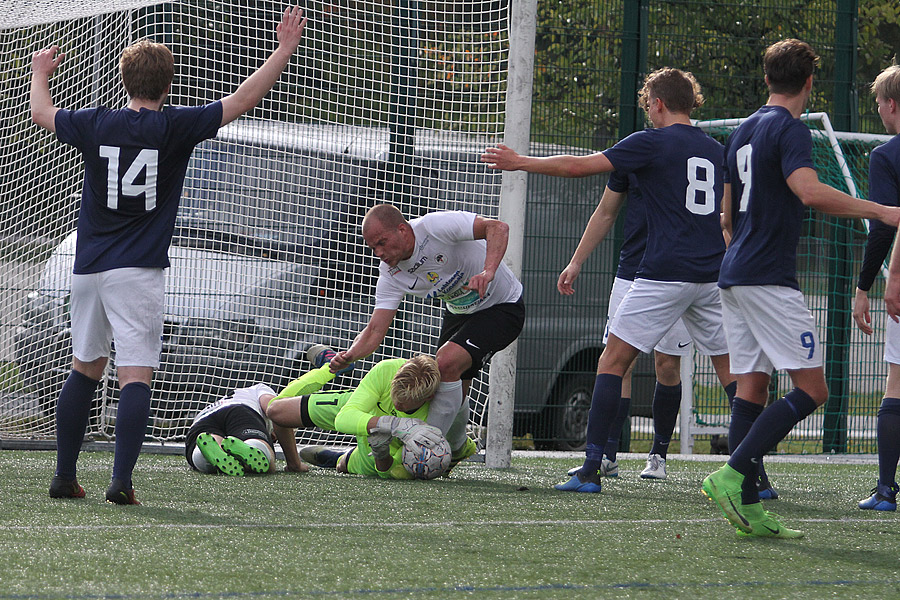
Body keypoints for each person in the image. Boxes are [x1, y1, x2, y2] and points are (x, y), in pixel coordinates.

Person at [32, 7, 308, 504]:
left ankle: (64, 476)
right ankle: (121, 482)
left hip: (88, 267)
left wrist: (39, 73)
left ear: (123, 78)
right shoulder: (174, 126)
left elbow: (42, 115)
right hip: (136, 271)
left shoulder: (95, 122)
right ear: (169, 85)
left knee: (84, 367)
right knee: (134, 375)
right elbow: (245, 98)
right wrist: (284, 47)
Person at [483, 67, 736, 494]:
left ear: (656, 103)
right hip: (711, 275)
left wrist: (520, 161)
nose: (649, 113)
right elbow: (726, 216)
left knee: (612, 362)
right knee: (732, 374)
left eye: (648, 105)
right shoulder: (715, 149)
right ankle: (754, 472)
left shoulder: (649, 142)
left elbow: (578, 167)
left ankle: (592, 467)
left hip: (663, 273)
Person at [702, 40, 900, 538]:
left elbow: (725, 216)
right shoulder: (791, 130)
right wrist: (880, 210)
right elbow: (809, 191)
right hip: (768, 277)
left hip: (734, 274)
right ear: (810, 84)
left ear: (767, 79)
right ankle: (731, 474)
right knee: (813, 390)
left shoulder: (742, 130)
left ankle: (748, 506)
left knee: (752, 386)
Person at [326, 205, 525, 464]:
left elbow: (498, 227)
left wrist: (488, 271)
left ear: (402, 229)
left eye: (382, 243)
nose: (379, 253)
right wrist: (350, 355)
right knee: (450, 387)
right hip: (460, 312)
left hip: (503, 306)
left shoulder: (434, 227)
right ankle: (454, 451)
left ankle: (424, 451)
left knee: (445, 362)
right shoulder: (390, 274)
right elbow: (376, 329)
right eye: (373, 248)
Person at [558, 171, 701, 481]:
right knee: (618, 362)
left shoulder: (697, 155)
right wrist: (576, 260)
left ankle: (658, 456)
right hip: (632, 273)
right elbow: (606, 210)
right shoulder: (635, 154)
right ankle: (607, 456)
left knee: (666, 364)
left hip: (675, 276)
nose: (652, 116)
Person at [268, 353, 475, 478]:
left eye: (404, 402)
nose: (397, 402)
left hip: (385, 443)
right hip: (364, 409)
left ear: (428, 397)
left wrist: (381, 453)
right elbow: (344, 418)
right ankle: (329, 365)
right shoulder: (387, 369)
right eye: (395, 394)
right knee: (275, 411)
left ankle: (340, 457)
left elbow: (393, 472)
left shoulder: (437, 415)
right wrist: (395, 424)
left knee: (344, 467)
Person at [854, 64, 900, 511]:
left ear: (889, 105)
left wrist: (868, 285)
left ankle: (886, 489)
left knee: (896, 382)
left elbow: (886, 226)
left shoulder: (886, 156)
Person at [185, 384, 309, 477]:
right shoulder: (261, 389)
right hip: (240, 411)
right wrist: (295, 465)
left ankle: (207, 453)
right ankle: (253, 445)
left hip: (201, 420)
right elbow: (277, 411)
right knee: (264, 459)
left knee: (207, 449)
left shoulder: (238, 394)